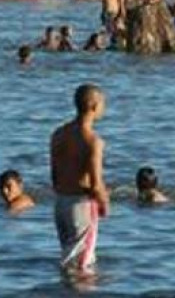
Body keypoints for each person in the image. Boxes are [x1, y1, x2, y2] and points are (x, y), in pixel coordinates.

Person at [50, 84, 110, 274]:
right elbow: (95, 182)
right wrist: (104, 202)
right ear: (93, 106)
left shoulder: (58, 134)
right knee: (82, 265)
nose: (104, 108)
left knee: (68, 259)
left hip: (60, 203)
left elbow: (54, 174)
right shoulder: (93, 141)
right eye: (103, 104)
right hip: (81, 204)